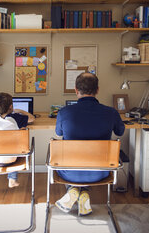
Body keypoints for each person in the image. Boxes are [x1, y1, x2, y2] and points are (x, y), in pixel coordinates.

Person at [55, 73, 125, 216]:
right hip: (100, 173)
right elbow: (120, 132)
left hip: (69, 173)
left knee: (70, 158)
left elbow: (58, 133)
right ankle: (84, 191)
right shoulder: (111, 112)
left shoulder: (64, 112)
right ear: (97, 90)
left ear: (75, 90)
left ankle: (74, 189)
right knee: (89, 161)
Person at [0, 92, 35, 189]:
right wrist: (20, 110)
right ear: (11, 106)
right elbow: (32, 118)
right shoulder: (16, 118)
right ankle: (12, 179)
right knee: (14, 147)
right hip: (11, 160)